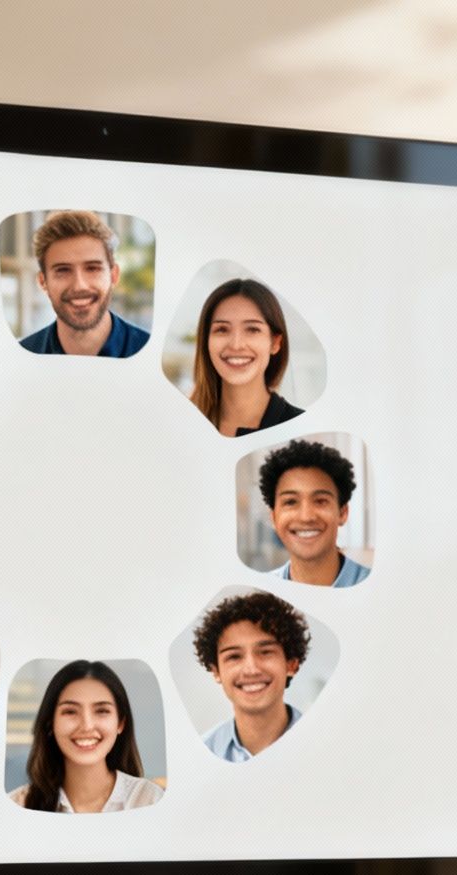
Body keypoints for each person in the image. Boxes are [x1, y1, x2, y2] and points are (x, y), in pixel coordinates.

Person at [9, 660, 164, 813]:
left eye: (102, 711)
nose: (87, 726)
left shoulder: (149, 800)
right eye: (70, 711)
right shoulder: (18, 805)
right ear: (50, 723)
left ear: (120, 723)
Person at [191, 592, 312, 761]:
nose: (251, 669)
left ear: (291, 664)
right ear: (216, 671)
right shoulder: (199, 757)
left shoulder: (327, 743)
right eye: (234, 656)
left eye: (265, 652)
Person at [16, 211, 150, 358]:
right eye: (63, 270)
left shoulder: (148, 351)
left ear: (114, 276)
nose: (80, 285)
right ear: (43, 282)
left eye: (92, 268)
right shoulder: (23, 356)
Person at [189, 279, 303, 437]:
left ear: (275, 343)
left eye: (252, 329)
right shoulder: (181, 425)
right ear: (206, 340)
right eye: (222, 329)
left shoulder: (303, 429)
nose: (236, 345)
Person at [257, 439, 370, 587]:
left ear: (342, 513)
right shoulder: (262, 591)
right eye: (291, 502)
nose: (306, 517)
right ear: (274, 517)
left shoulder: (379, 587)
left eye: (321, 501)